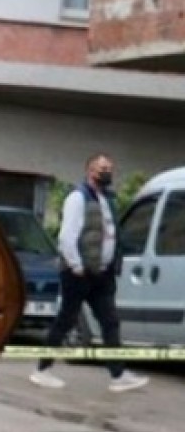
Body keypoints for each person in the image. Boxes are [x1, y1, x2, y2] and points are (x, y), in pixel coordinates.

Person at [31, 153, 149, 393]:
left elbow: (110, 233)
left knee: (110, 322)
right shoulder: (78, 198)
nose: (108, 173)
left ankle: (118, 375)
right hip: (79, 273)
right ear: (90, 171)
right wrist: (76, 266)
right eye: (103, 168)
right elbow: (67, 236)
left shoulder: (107, 199)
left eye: (110, 168)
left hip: (102, 274)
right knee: (66, 320)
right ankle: (42, 370)